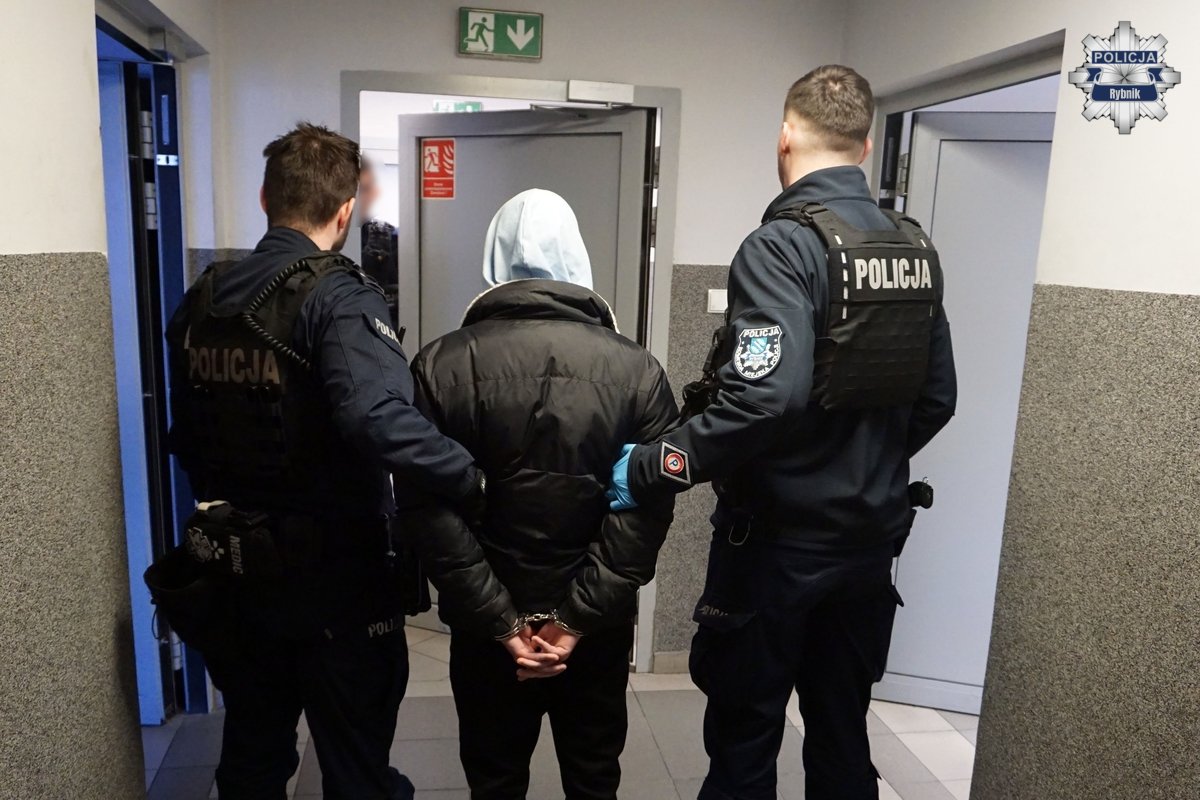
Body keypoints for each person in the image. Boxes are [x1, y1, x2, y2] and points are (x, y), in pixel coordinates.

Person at [608, 66, 957, 800]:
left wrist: (651, 466)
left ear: (786, 136)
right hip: (868, 548)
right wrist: (861, 466)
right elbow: (937, 399)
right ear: (866, 146)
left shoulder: (780, 248)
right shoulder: (912, 247)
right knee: (842, 736)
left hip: (777, 551)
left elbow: (764, 400)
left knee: (746, 741)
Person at [163, 122, 485, 800]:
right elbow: (376, 417)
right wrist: (471, 476)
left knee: (252, 754)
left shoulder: (206, 296)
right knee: (355, 766)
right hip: (335, 580)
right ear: (344, 212)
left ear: (265, 198)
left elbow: (185, 435)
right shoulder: (339, 295)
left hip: (233, 571)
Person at [399, 189, 678, 800]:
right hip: (596, 629)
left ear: (493, 262)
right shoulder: (638, 370)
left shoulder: (439, 365)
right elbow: (643, 512)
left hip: (486, 632)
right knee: (593, 776)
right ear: (577, 259)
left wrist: (502, 623)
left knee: (494, 780)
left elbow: (428, 512)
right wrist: (574, 622)